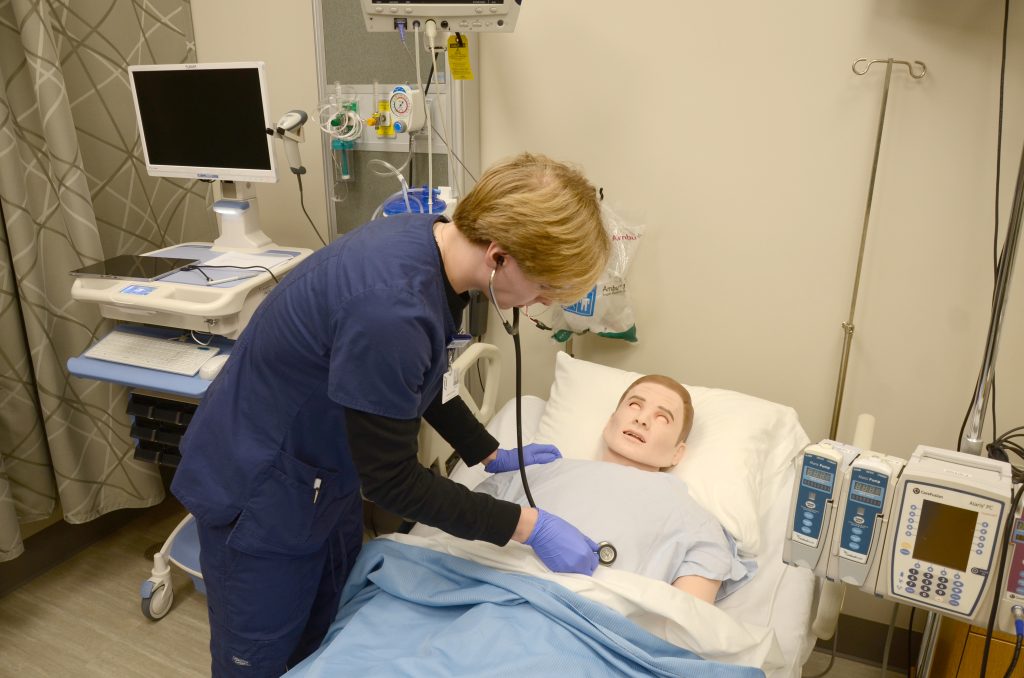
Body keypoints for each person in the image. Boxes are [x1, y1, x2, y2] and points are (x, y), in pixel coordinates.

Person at [170, 152, 611, 676]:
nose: (538, 304)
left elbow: (417, 379)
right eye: (541, 288)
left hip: (319, 479)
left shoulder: (432, 242)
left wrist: (485, 451)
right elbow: (393, 481)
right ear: (499, 257)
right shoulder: (392, 308)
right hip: (262, 491)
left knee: (321, 640)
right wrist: (525, 524)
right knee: (261, 660)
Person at [476, 375, 755, 604]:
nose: (642, 419)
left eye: (662, 418)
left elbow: (686, 624)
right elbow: (450, 533)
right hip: (486, 594)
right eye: (635, 405)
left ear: (677, 454)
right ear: (610, 421)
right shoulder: (532, 471)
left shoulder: (696, 521)